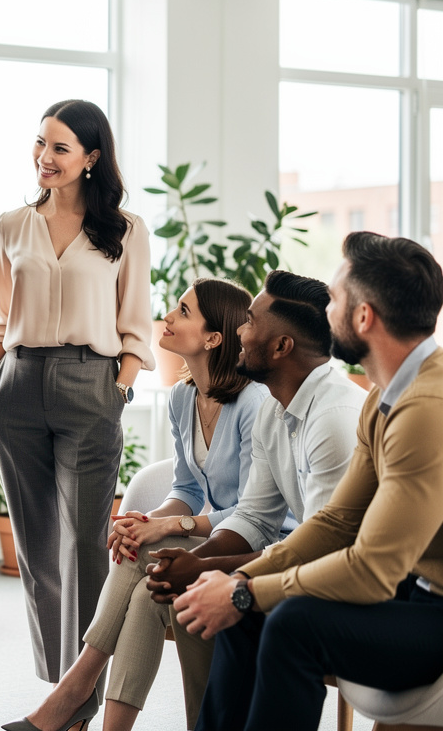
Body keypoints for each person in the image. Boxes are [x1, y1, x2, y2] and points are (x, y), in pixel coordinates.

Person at [175, 231, 443, 731]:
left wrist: (242, 592)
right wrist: (242, 582)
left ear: (364, 318)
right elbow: (336, 523)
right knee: (254, 609)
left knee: (292, 623)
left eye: (336, 300)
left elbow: (371, 571)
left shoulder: (426, 408)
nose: (327, 311)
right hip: (415, 590)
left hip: (432, 606)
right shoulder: (384, 398)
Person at [3, 278, 266, 731]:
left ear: (213, 338)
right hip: (210, 534)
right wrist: (146, 520)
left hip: (254, 542)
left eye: (183, 311)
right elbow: (185, 487)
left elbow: (253, 512)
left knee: (146, 561)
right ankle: (90, 706)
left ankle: (74, 689)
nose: (167, 316)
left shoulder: (254, 402)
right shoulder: (183, 397)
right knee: (141, 573)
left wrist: (170, 528)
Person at [0, 98, 154, 701]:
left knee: (84, 544)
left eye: (59, 147)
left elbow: (137, 321)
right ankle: (57, 683)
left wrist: (121, 385)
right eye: (40, 143)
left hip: (92, 382)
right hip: (19, 384)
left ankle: (83, 690)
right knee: (35, 545)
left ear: (91, 158)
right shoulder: (10, 225)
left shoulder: (126, 230)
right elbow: (1, 317)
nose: (44, 157)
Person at [143, 270, 365, 728]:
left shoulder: (334, 417)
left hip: (351, 580)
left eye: (250, 322)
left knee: (246, 608)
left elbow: (323, 547)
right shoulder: (274, 406)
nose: (240, 332)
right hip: (306, 563)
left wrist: (206, 567)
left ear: (282, 346)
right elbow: (254, 517)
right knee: (221, 601)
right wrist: (197, 562)